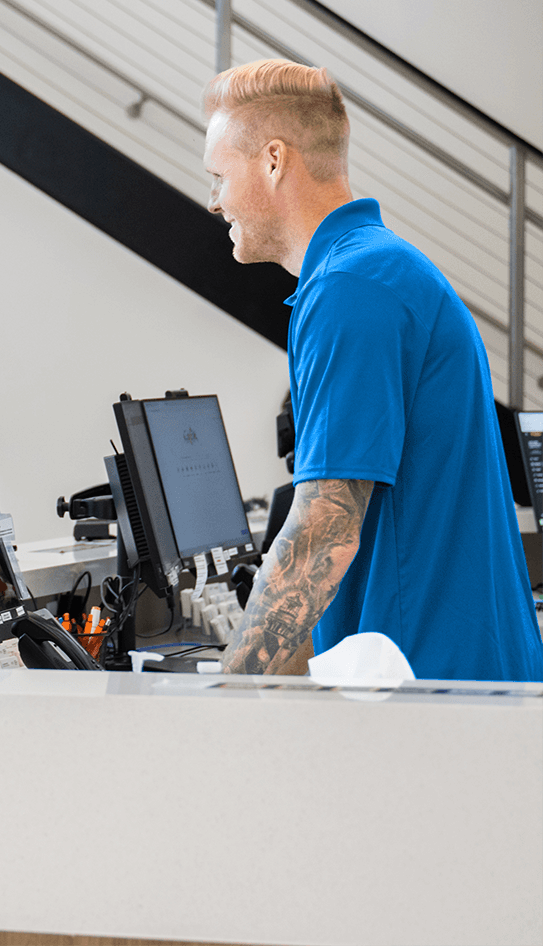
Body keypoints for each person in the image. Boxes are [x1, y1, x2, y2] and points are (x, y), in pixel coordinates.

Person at [203, 58, 543, 682]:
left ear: (273, 161)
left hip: (428, 686)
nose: (214, 201)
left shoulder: (351, 288)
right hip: (452, 671)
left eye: (219, 177)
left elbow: (322, 535)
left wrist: (228, 698)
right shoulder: (377, 269)